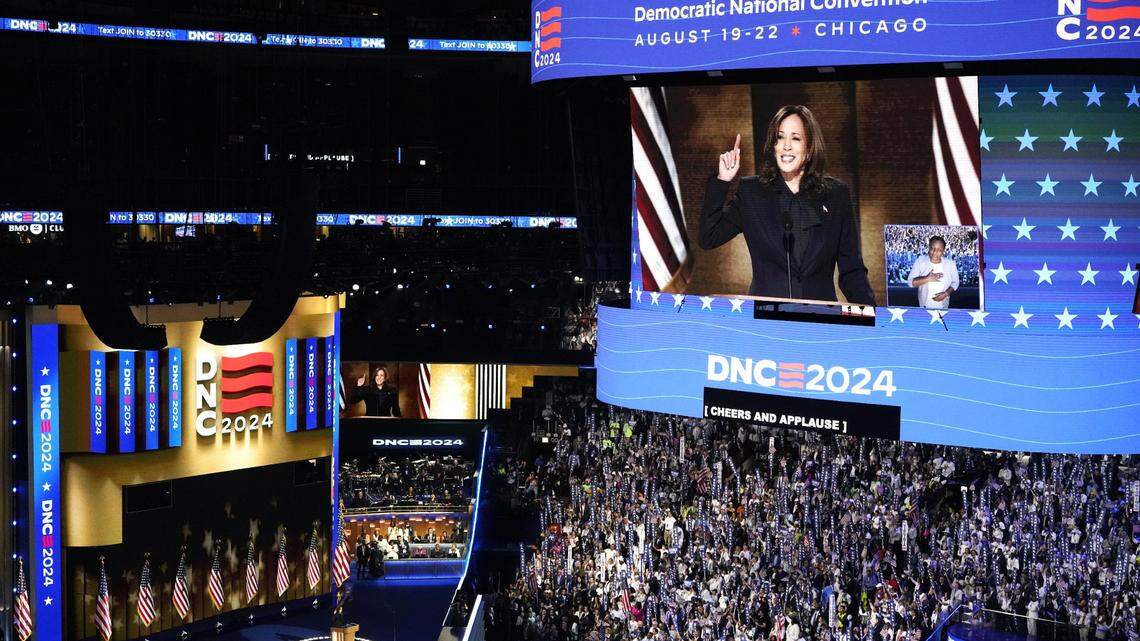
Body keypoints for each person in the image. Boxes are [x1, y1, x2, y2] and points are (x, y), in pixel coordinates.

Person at [699, 105, 875, 305]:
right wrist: (722, 180)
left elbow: (851, 269)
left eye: (796, 138)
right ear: (773, 146)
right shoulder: (752, 192)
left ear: (809, 149)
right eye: (780, 137)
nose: (786, 146)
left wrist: (872, 317)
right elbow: (708, 237)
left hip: (819, 322)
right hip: (767, 321)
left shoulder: (836, 195)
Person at [906, 236, 959, 309]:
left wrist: (946, 293)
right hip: (924, 307)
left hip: (943, 307)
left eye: (939, 250)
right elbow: (910, 283)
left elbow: (955, 283)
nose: (934, 252)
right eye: (932, 248)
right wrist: (927, 278)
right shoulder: (920, 261)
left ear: (943, 251)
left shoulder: (950, 264)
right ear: (929, 247)